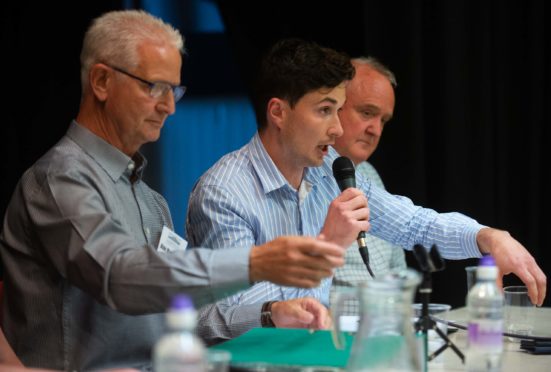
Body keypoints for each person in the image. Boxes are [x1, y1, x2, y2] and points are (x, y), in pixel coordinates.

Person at [0, 13, 345, 371]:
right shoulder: (59, 180)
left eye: (175, 90)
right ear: (102, 81)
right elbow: (118, 276)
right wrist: (255, 263)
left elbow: (187, 319)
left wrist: (269, 314)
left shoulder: (151, 201)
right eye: (155, 87)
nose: (169, 106)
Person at [187, 38, 547, 344]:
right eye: (325, 111)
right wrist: (328, 245)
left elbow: (412, 225)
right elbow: (244, 317)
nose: (336, 128)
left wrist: (487, 237)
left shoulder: (329, 170)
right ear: (279, 112)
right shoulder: (225, 192)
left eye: (340, 111)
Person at [330, 57, 405, 314]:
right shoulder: (302, 174)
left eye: (383, 120)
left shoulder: (370, 174)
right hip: (333, 336)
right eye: (367, 113)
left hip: (384, 328)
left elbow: (398, 267)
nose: (376, 130)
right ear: (334, 106)